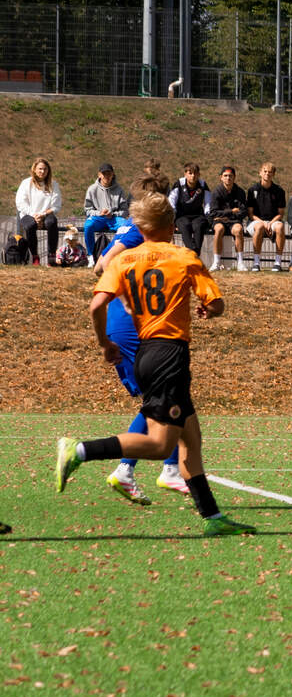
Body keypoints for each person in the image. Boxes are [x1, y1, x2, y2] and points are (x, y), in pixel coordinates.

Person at [56, 191, 255, 537]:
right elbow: (217, 304)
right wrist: (209, 310)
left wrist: (105, 344)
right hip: (170, 355)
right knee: (162, 444)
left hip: (146, 353)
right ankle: (80, 450)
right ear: (172, 224)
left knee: (191, 440)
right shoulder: (184, 257)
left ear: (141, 226)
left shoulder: (124, 260)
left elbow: (96, 305)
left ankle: (212, 517)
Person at [92, 174, 189, 504]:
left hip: (127, 323)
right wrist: (128, 297)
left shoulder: (129, 230)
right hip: (131, 324)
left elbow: (100, 266)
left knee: (165, 398)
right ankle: (137, 469)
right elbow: (105, 264)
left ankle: (165, 468)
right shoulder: (139, 231)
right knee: (162, 399)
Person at [15, 157, 61, 265]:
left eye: (45, 169)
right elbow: (20, 203)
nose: (42, 171)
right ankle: (35, 256)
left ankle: (51, 255)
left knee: (52, 222)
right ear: (34, 169)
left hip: (46, 214)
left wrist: (42, 215)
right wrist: (34, 215)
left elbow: (56, 206)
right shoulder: (26, 183)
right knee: (30, 225)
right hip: (28, 214)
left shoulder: (53, 184)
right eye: (40, 169)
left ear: (48, 171)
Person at [83, 163, 129, 264]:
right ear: (99, 175)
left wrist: (113, 214)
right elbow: (87, 210)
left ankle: (119, 254)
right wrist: (99, 213)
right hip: (98, 218)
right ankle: (90, 255)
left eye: (109, 174)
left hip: (114, 218)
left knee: (125, 226)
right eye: (104, 174)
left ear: (113, 174)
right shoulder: (92, 189)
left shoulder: (119, 190)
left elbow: (125, 211)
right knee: (88, 225)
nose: (106, 176)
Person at [244, 161, 287, 271]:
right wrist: (263, 223)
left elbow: (281, 214)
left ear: (273, 174)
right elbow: (250, 214)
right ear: (260, 173)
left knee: (280, 227)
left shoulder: (279, 191)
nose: (267, 174)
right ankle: (256, 263)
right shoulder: (252, 190)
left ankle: (277, 263)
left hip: (272, 221)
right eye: (265, 171)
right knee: (259, 227)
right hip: (256, 221)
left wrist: (270, 223)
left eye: (270, 172)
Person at [209, 165, 249, 271]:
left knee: (239, 229)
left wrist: (226, 216)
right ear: (221, 177)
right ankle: (216, 262)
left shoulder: (240, 192)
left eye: (230, 176)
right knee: (219, 229)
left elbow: (243, 212)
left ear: (234, 177)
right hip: (219, 222)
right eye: (225, 175)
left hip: (234, 221)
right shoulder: (216, 192)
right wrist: (231, 211)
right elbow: (213, 213)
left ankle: (240, 262)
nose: (228, 178)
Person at [168, 162, 212, 256]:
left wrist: (208, 217)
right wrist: (173, 219)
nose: (193, 176)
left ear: (199, 174)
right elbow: (171, 202)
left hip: (198, 215)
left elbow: (208, 203)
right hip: (182, 215)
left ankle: (194, 254)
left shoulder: (203, 185)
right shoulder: (179, 184)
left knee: (198, 226)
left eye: (195, 173)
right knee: (185, 225)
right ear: (185, 174)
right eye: (190, 173)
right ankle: (194, 253)